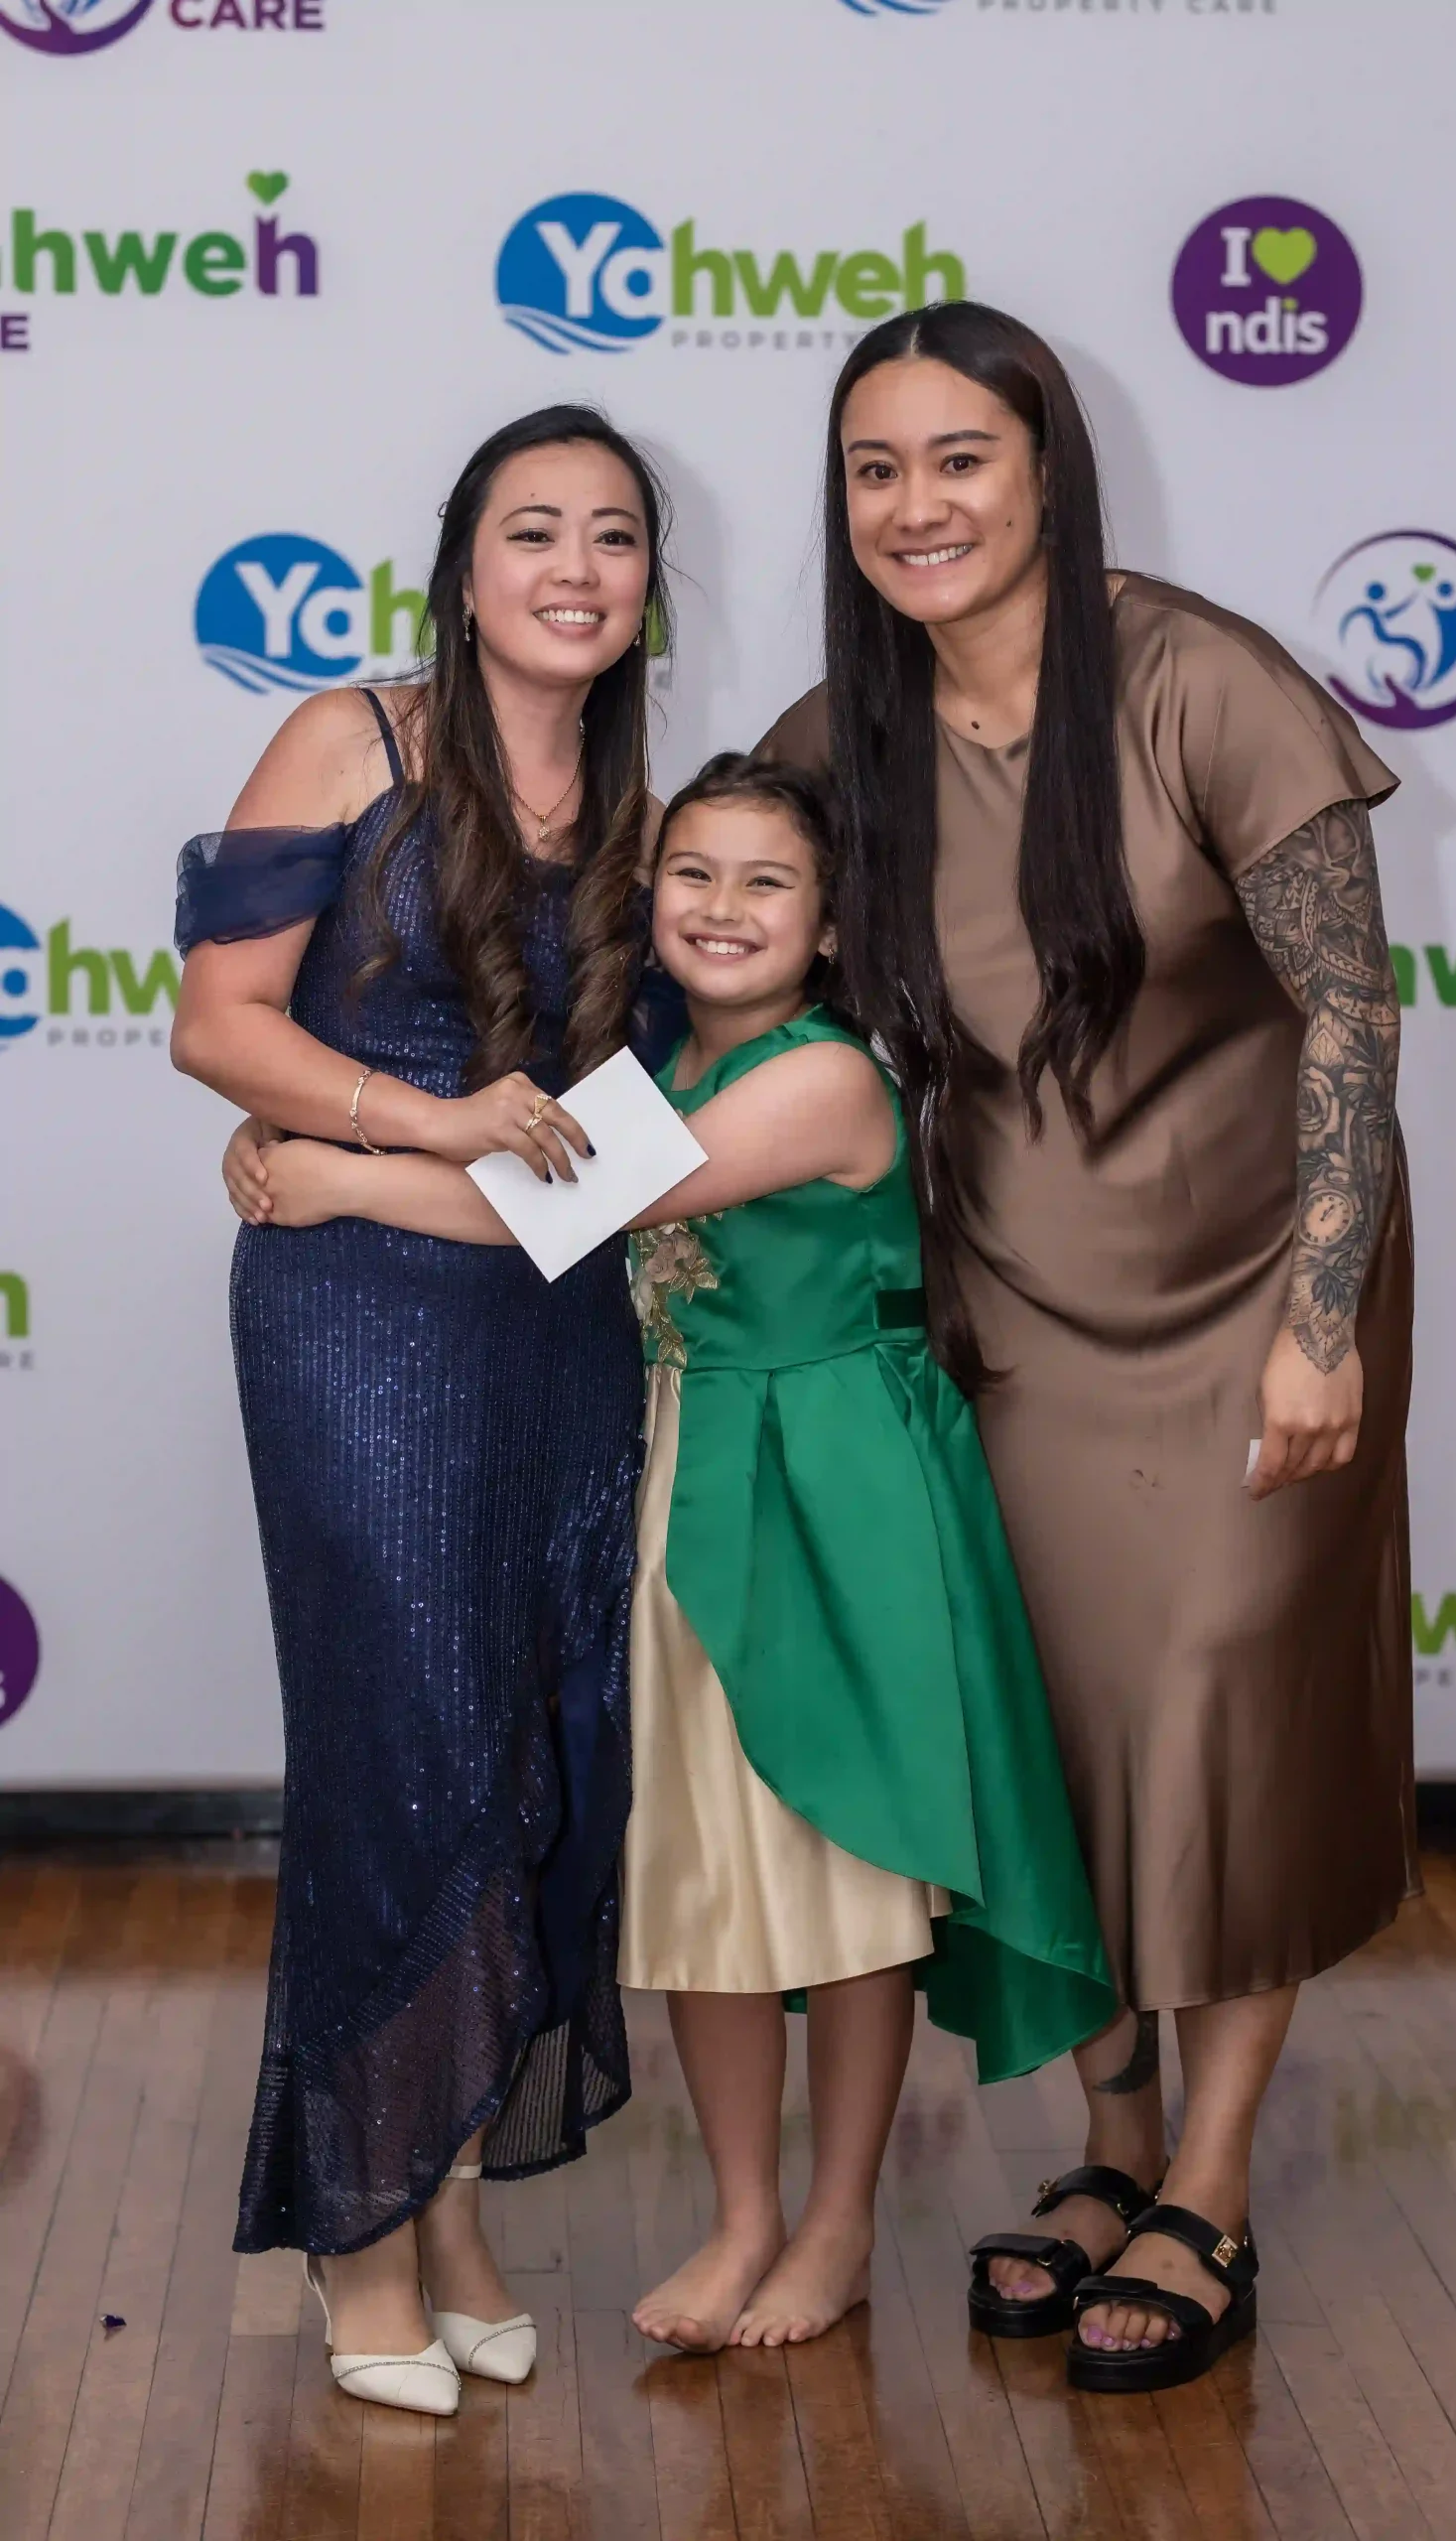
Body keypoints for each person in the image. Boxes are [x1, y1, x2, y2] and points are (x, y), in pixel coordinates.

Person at [234, 749, 1118, 2358]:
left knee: (847, 1864)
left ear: (831, 924)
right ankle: (742, 2217)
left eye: (768, 882)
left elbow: (551, 1211)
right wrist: (297, 1129)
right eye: (691, 874)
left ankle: (836, 2225)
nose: (721, 907)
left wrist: (329, 1174)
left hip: (829, 1492)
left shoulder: (818, 1077)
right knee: (710, 1868)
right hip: (688, 1472)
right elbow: (523, 1156)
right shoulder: (644, 1061)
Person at [760, 302, 1414, 2394]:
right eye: (875, 468)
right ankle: (1110, 2144)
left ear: (1045, 468)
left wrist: (1322, 1318)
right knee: (1054, 1738)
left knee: (1220, 1719)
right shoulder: (835, 733)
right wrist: (386, 1137)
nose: (916, 505)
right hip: (1009, 1310)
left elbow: (1351, 1010)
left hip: (1257, 1294)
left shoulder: (1203, 680)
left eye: (959, 457)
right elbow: (715, 993)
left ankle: (1210, 2179)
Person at [175, 404, 674, 2417]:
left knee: (528, 1751)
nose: (574, 568)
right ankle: (358, 2227)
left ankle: (453, 2196)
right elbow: (219, 1021)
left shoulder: (648, 814)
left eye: (613, 536)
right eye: (532, 530)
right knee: (398, 1746)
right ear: (463, 570)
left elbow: (624, 1156)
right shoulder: (349, 742)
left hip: (557, 1324)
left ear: (649, 584)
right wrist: (408, 1122)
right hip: (357, 1329)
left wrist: (360, 1165)